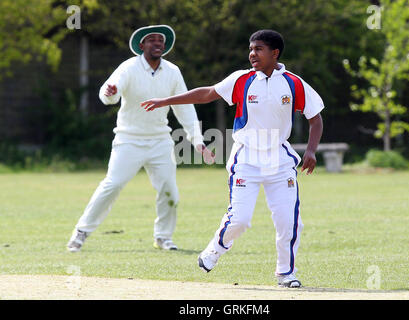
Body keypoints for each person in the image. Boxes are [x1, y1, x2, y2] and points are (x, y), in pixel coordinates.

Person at [141, 29, 324, 288]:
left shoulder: (294, 83)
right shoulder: (241, 79)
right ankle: (214, 250)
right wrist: (166, 101)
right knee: (240, 219)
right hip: (246, 158)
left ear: (275, 53)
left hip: (280, 161)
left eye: (258, 49)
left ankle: (286, 273)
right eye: (250, 49)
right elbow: (207, 93)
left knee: (289, 221)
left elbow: (315, 118)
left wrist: (311, 150)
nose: (252, 54)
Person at [67, 25, 214, 252]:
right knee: (112, 185)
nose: (157, 43)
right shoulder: (129, 67)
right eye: (151, 40)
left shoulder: (173, 71)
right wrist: (110, 93)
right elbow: (110, 93)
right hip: (128, 139)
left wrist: (198, 141)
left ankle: (163, 237)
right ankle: (81, 232)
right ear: (142, 45)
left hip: (160, 141)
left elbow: (184, 107)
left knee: (169, 191)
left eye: (160, 40)